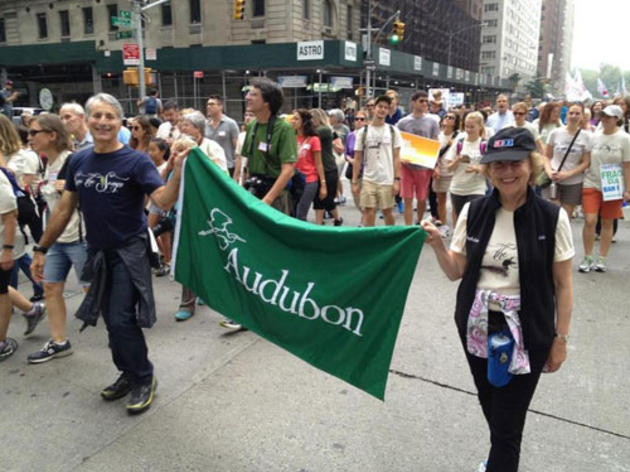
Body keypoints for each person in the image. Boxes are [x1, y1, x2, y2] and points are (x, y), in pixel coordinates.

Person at [422, 126, 574, 472]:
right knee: (491, 403)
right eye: (497, 165)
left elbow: (564, 285)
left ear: (531, 164)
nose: (506, 172)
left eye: (514, 163)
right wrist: (437, 246)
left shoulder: (552, 218)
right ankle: (499, 456)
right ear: (488, 169)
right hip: (477, 326)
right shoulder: (473, 211)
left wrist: (560, 339)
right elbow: (455, 271)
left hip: (529, 330)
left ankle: (499, 461)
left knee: (507, 424)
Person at [31, 93, 185, 414]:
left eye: (109, 116)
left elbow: (164, 200)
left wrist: (178, 169)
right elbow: (63, 209)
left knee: (121, 318)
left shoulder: (136, 161)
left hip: (129, 251)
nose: (103, 122)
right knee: (112, 322)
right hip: (96, 252)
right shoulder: (79, 161)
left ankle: (144, 376)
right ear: (88, 122)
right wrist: (42, 248)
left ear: (120, 123)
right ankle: (128, 373)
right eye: (96, 116)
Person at [25, 114, 90, 363]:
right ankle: (59, 341)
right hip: (54, 241)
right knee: (50, 288)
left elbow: (92, 198)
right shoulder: (45, 164)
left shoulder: (73, 161)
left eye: (34, 133)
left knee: (92, 290)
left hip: (79, 237)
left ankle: (124, 322)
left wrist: (75, 190)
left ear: (52, 135)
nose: (29, 137)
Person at [579, 105, 630, 273]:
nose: (605, 119)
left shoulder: (624, 139)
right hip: (591, 182)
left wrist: (628, 189)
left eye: (609, 116)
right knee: (590, 220)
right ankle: (587, 256)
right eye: (603, 116)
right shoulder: (594, 137)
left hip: (613, 185)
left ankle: (602, 258)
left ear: (617, 119)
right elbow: (585, 159)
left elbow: (627, 166)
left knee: (607, 222)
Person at [352, 95, 403, 227]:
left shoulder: (393, 131)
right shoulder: (363, 132)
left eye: (386, 108)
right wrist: (354, 182)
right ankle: (370, 241)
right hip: (368, 179)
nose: (383, 110)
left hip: (387, 179)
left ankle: (390, 239)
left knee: (387, 212)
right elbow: (357, 158)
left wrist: (397, 180)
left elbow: (397, 157)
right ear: (373, 109)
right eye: (380, 106)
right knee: (369, 212)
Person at [396, 90, 439, 226]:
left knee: (421, 198)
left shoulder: (432, 121)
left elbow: (435, 142)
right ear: (413, 103)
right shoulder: (403, 122)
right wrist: (400, 158)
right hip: (406, 166)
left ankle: (419, 221)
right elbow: (397, 142)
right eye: (421, 101)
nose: (424, 103)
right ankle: (408, 227)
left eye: (426, 101)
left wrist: (435, 165)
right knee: (407, 198)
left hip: (424, 166)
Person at [542, 102, 592, 219]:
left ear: (582, 116)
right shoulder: (555, 133)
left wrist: (567, 174)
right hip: (553, 180)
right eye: (571, 113)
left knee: (565, 217)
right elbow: (547, 156)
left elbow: (586, 162)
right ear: (566, 115)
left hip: (573, 182)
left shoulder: (587, 137)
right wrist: (549, 172)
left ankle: (562, 238)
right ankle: (550, 238)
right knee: (551, 215)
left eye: (577, 113)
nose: (573, 116)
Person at [0, 163, 27, 360]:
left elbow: (10, 216)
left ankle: (1, 342)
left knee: (1, 290)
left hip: (2, 245)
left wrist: (7, 250)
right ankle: (32, 310)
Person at [445, 111, 488, 222]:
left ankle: (473, 238)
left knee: (474, 217)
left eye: (472, 127)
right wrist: (458, 159)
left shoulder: (484, 145)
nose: (468, 130)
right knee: (460, 219)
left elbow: (491, 169)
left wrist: (477, 168)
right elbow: (448, 167)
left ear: (480, 126)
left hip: (477, 187)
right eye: (466, 126)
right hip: (458, 187)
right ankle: (460, 238)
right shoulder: (459, 143)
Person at [310, 108, 344, 226]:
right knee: (318, 198)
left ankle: (337, 218)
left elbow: (310, 136)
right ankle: (319, 224)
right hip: (317, 168)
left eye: (311, 119)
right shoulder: (322, 130)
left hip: (328, 168)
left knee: (328, 199)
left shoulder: (324, 130)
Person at [292, 109, 326, 221]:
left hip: (309, 180)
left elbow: (319, 163)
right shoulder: (291, 137)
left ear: (304, 122)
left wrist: (323, 185)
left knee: (301, 214)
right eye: (293, 118)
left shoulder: (314, 139)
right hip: (293, 179)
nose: (293, 121)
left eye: (296, 119)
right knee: (291, 213)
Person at [147, 138, 172, 277]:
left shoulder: (167, 167)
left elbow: (164, 185)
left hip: (162, 204)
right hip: (152, 203)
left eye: (153, 150)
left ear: (163, 152)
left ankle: (168, 260)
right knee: (149, 231)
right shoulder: (149, 165)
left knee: (164, 234)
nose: (150, 153)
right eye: (148, 150)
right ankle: (162, 256)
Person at [433, 112, 460, 232]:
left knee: (455, 202)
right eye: (446, 117)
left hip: (454, 173)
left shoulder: (459, 137)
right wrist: (435, 167)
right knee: (441, 200)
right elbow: (434, 155)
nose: (448, 119)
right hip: (440, 172)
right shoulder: (438, 136)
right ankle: (443, 226)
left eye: (451, 117)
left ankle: (457, 228)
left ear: (456, 122)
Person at [204, 95, 240, 181]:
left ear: (220, 106)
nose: (208, 107)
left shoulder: (230, 124)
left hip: (227, 166)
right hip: (209, 166)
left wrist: (236, 174)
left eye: (212, 104)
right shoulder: (205, 125)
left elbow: (237, 149)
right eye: (208, 104)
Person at [344, 109, 368, 225]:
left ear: (366, 121)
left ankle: (365, 221)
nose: (358, 121)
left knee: (366, 200)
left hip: (366, 172)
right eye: (356, 119)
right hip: (354, 171)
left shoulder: (368, 135)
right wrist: (351, 160)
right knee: (357, 200)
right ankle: (364, 217)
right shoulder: (350, 135)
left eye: (361, 119)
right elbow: (346, 153)